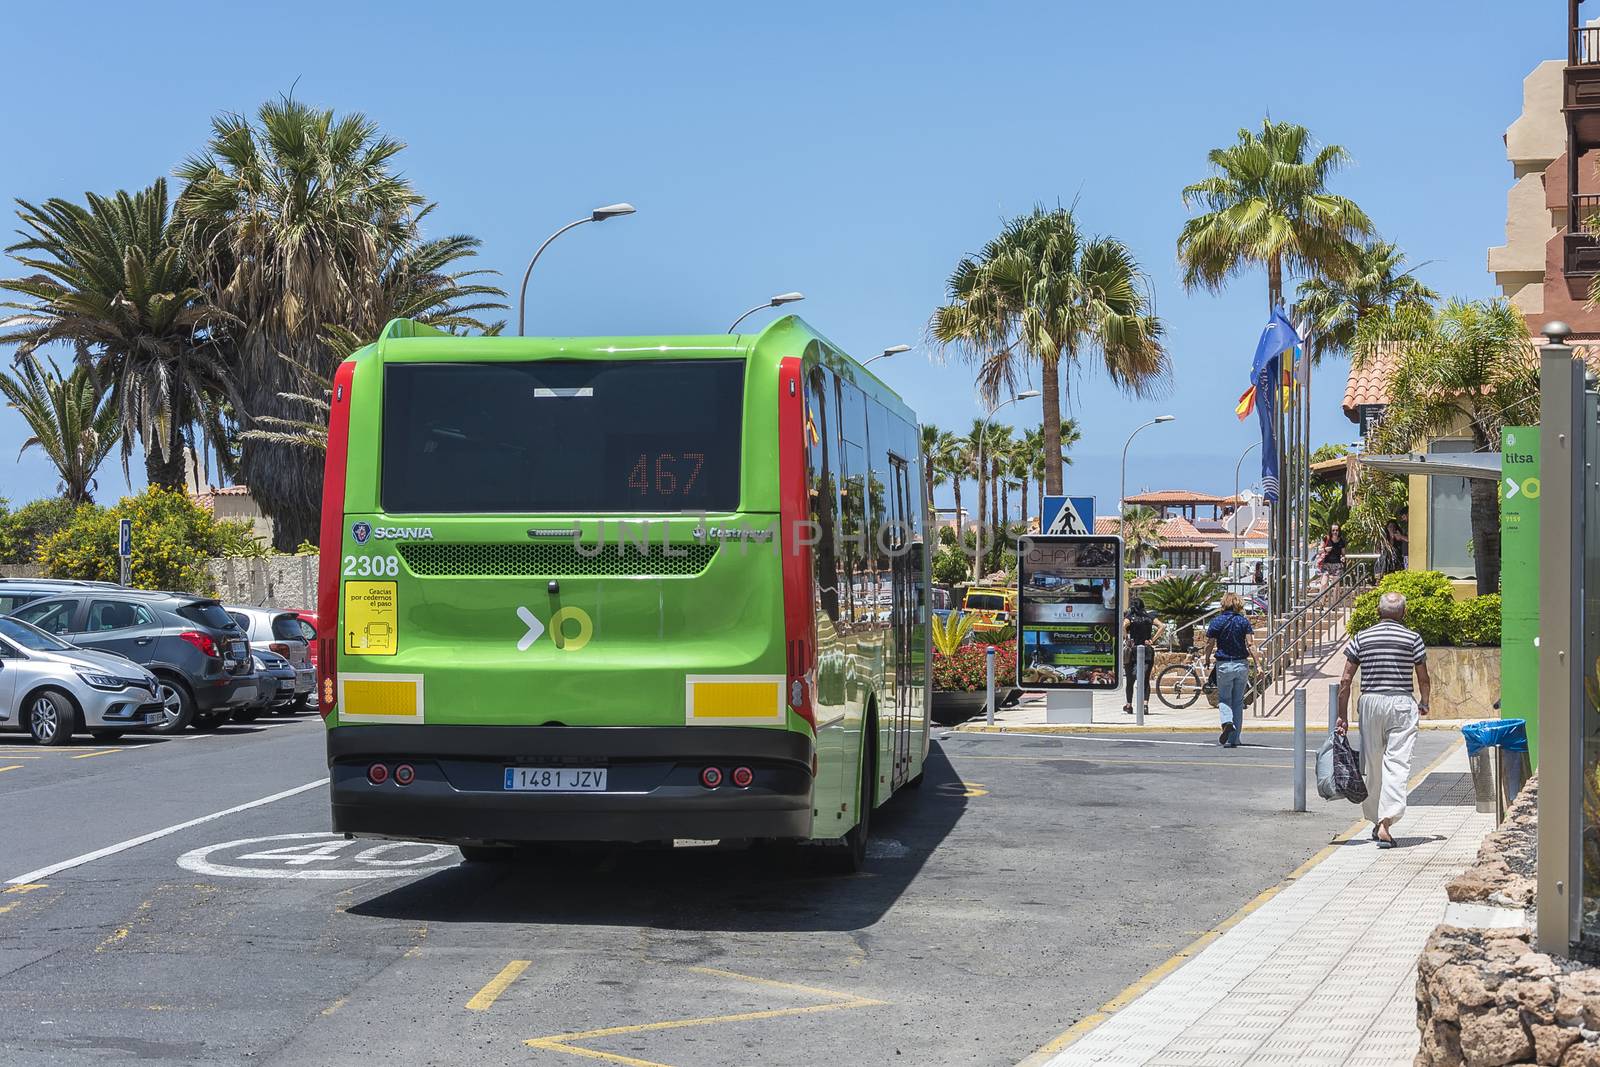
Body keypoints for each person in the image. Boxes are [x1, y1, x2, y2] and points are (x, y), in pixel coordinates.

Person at [1335, 591, 1430, 848]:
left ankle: (1377, 820)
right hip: (1401, 701)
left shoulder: (1361, 637)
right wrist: (1424, 702)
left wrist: (1341, 716)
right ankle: (1386, 821)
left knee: (1374, 765)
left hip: (1371, 701)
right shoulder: (1413, 638)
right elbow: (1423, 677)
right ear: (1404, 613)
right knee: (1397, 762)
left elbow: (1345, 679)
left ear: (1378, 612)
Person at [1205, 592, 1254, 747]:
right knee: (1238, 701)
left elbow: (1209, 644)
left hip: (1224, 664)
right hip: (1241, 664)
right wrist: (1258, 664)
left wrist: (1206, 659)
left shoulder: (1216, 621)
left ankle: (1226, 721)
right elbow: (1251, 644)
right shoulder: (1243, 622)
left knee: (1224, 699)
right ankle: (1234, 739)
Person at [1122, 596, 1160, 714]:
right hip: (1147, 650)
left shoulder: (1130, 618)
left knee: (1130, 679)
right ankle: (1145, 706)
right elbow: (1162, 626)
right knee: (1145, 679)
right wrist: (1153, 639)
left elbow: (1122, 626)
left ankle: (1129, 705)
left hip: (1133, 650)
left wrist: (1126, 638)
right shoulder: (1149, 617)